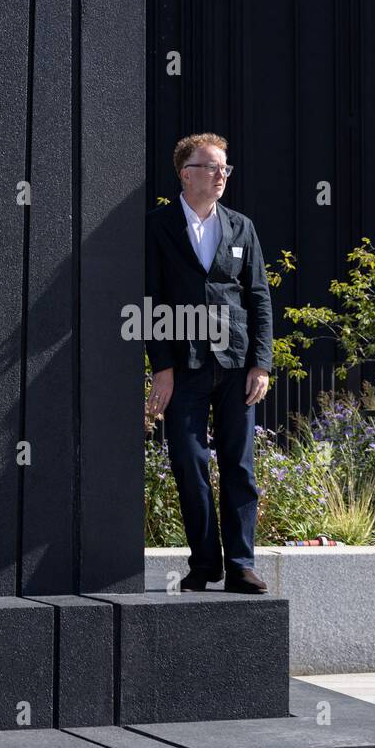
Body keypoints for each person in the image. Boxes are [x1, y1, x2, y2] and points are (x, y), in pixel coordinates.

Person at [144, 133, 272, 594]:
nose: (222, 175)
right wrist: (162, 368)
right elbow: (151, 298)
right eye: (212, 167)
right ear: (186, 173)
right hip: (185, 365)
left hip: (237, 364)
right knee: (189, 461)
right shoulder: (157, 226)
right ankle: (204, 563)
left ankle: (240, 564)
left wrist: (261, 363)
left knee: (239, 466)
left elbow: (258, 297)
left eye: (225, 168)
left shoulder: (242, 227)